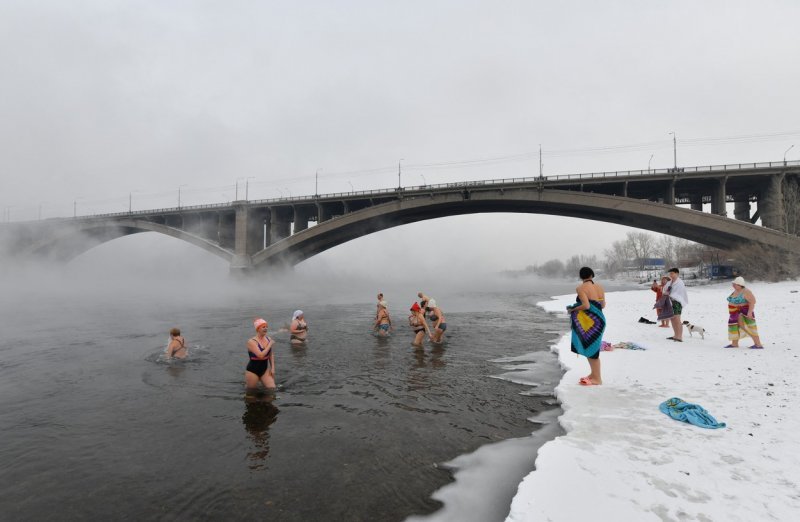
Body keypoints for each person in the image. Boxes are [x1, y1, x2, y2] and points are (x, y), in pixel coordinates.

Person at [566, 267, 606, 386]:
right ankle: (594, 374)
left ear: (581, 276)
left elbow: (586, 306)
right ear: (592, 275)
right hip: (600, 320)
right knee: (592, 349)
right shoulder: (599, 287)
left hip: (590, 322)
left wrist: (573, 308)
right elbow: (602, 305)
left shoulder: (581, 288)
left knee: (592, 350)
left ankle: (597, 379)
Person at [724, 277, 764, 349]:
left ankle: (758, 344)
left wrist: (749, 312)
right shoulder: (736, 291)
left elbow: (753, 302)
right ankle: (734, 344)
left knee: (746, 327)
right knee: (735, 327)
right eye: (733, 284)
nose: (733, 285)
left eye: (735, 284)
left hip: (742, 313)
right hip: (734, 313)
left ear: (739, 285)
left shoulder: (746, 291)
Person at [245, 318, 276, 390]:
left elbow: (270, 355)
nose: (266, 328)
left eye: (266, 327)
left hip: (264, 370)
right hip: (253, 371)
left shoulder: (268, 339)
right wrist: (270, 344)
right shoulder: (251, 341)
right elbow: (261, 355)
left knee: (272, 389)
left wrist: (273, 368)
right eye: (263, 327)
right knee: (251, 393)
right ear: (258, 329)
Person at [663, 267, 688, 342]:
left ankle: (679, 337)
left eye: (672, 273)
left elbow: (679, 293)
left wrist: (669, 294)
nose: (671, 275)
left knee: (677, 319)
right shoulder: (670, 282)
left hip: (677, 302)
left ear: (677, 273)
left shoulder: (680, 282)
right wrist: (665, 293)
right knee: (672, 319)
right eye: (670, 273)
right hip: (670, 301)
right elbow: (665, 288)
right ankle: (675, 335)